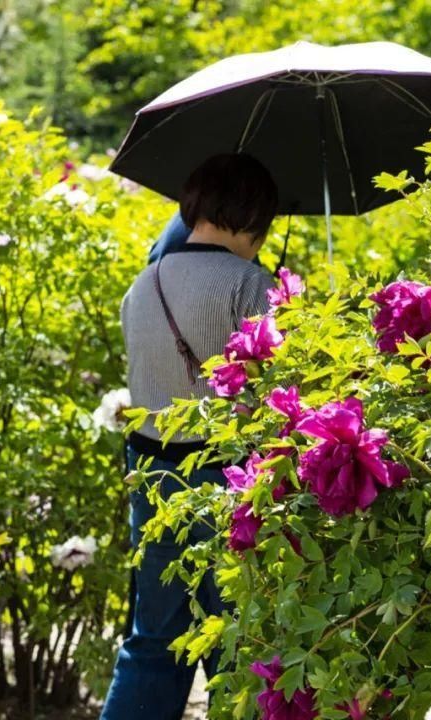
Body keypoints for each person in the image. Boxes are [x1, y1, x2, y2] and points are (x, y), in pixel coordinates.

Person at [101, 153, 278, 719]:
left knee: (154, 634)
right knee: (236, 636)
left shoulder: (142, 282)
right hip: (225, 479)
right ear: (252, 217)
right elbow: (273, 393)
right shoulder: (251, 283)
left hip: (150, 478)